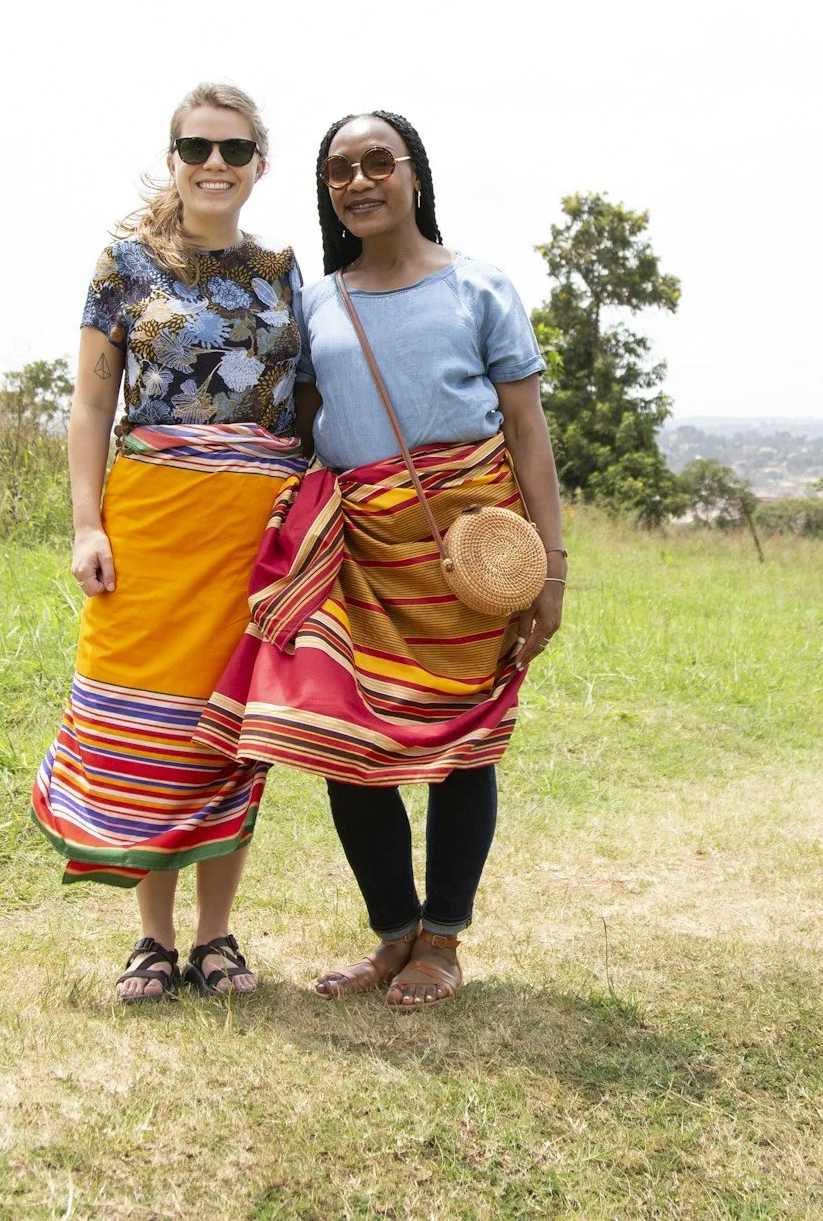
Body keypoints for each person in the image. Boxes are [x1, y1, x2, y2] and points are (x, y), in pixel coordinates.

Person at [198, 112, 566, 1010]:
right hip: (358, 551)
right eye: (339, 172)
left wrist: (550, 569)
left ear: (413, 174)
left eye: (377, 163)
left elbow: (527, 430)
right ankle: (392, 933)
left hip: (469, 550)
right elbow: (310, 426)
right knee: (340, 739)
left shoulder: (481, 288)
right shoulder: (318, 302)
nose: (359, 182)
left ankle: (442, 938)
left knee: (463, 744)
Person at [29, 83, 307, 1003]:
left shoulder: (281, 271)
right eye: (196, 148)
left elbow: (307, 402)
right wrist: (85, 525)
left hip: (250, 537)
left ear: (259, 164)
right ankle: (152, 940)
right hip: (150, 526)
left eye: (233, 149)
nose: (214, 164)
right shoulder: (124, 265)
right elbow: (89, 405)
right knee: (146, 724)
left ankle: (217, 937)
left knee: (228, 731)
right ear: (173, 158)